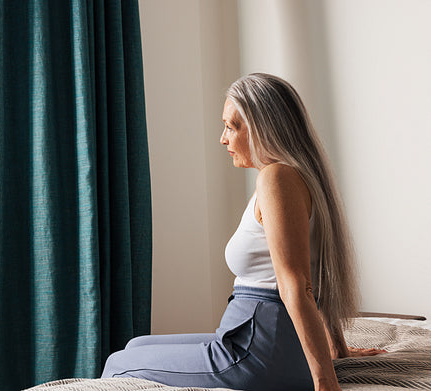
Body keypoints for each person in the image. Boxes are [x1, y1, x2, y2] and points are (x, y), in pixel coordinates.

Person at [101, 73, 384, 391]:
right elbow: (320, 274)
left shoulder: (277, 178)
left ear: (264, 128)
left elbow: (298, 284)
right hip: (255, 340)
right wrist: (338, 349)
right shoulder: (299, 177)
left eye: (231, 126)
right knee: (135, 346)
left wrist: (325, 382)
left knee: (117, 364)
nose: (223, 139)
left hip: (258, 352)